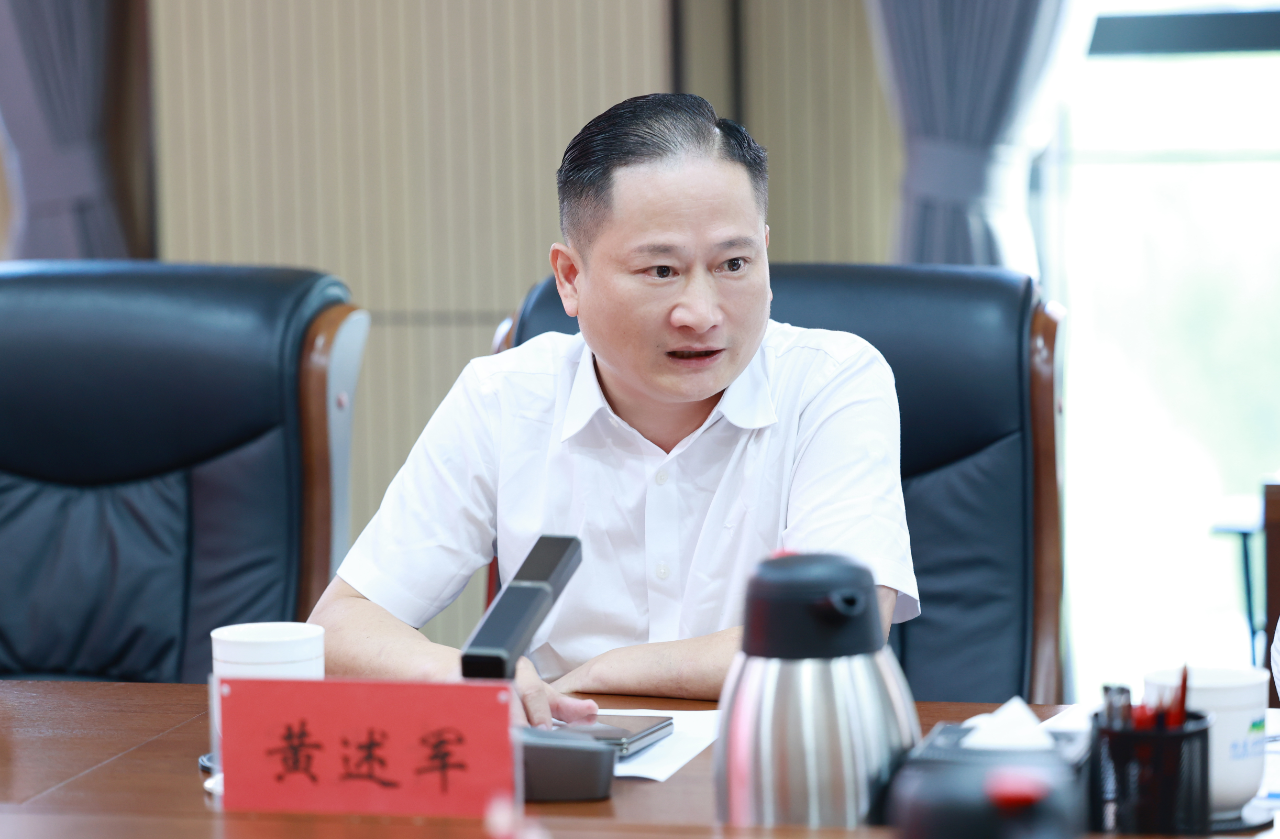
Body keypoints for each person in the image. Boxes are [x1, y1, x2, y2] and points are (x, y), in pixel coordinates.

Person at [308, 93, 918, 728]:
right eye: (661, 270)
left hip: (777, 757)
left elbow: (838, 623)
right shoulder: (504, 399)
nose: (701, 313)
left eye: (734, 264)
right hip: (570, 770)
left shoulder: (832, 381)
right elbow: (339, 627)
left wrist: (600, 673)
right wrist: (460, 673)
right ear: (570, 278)